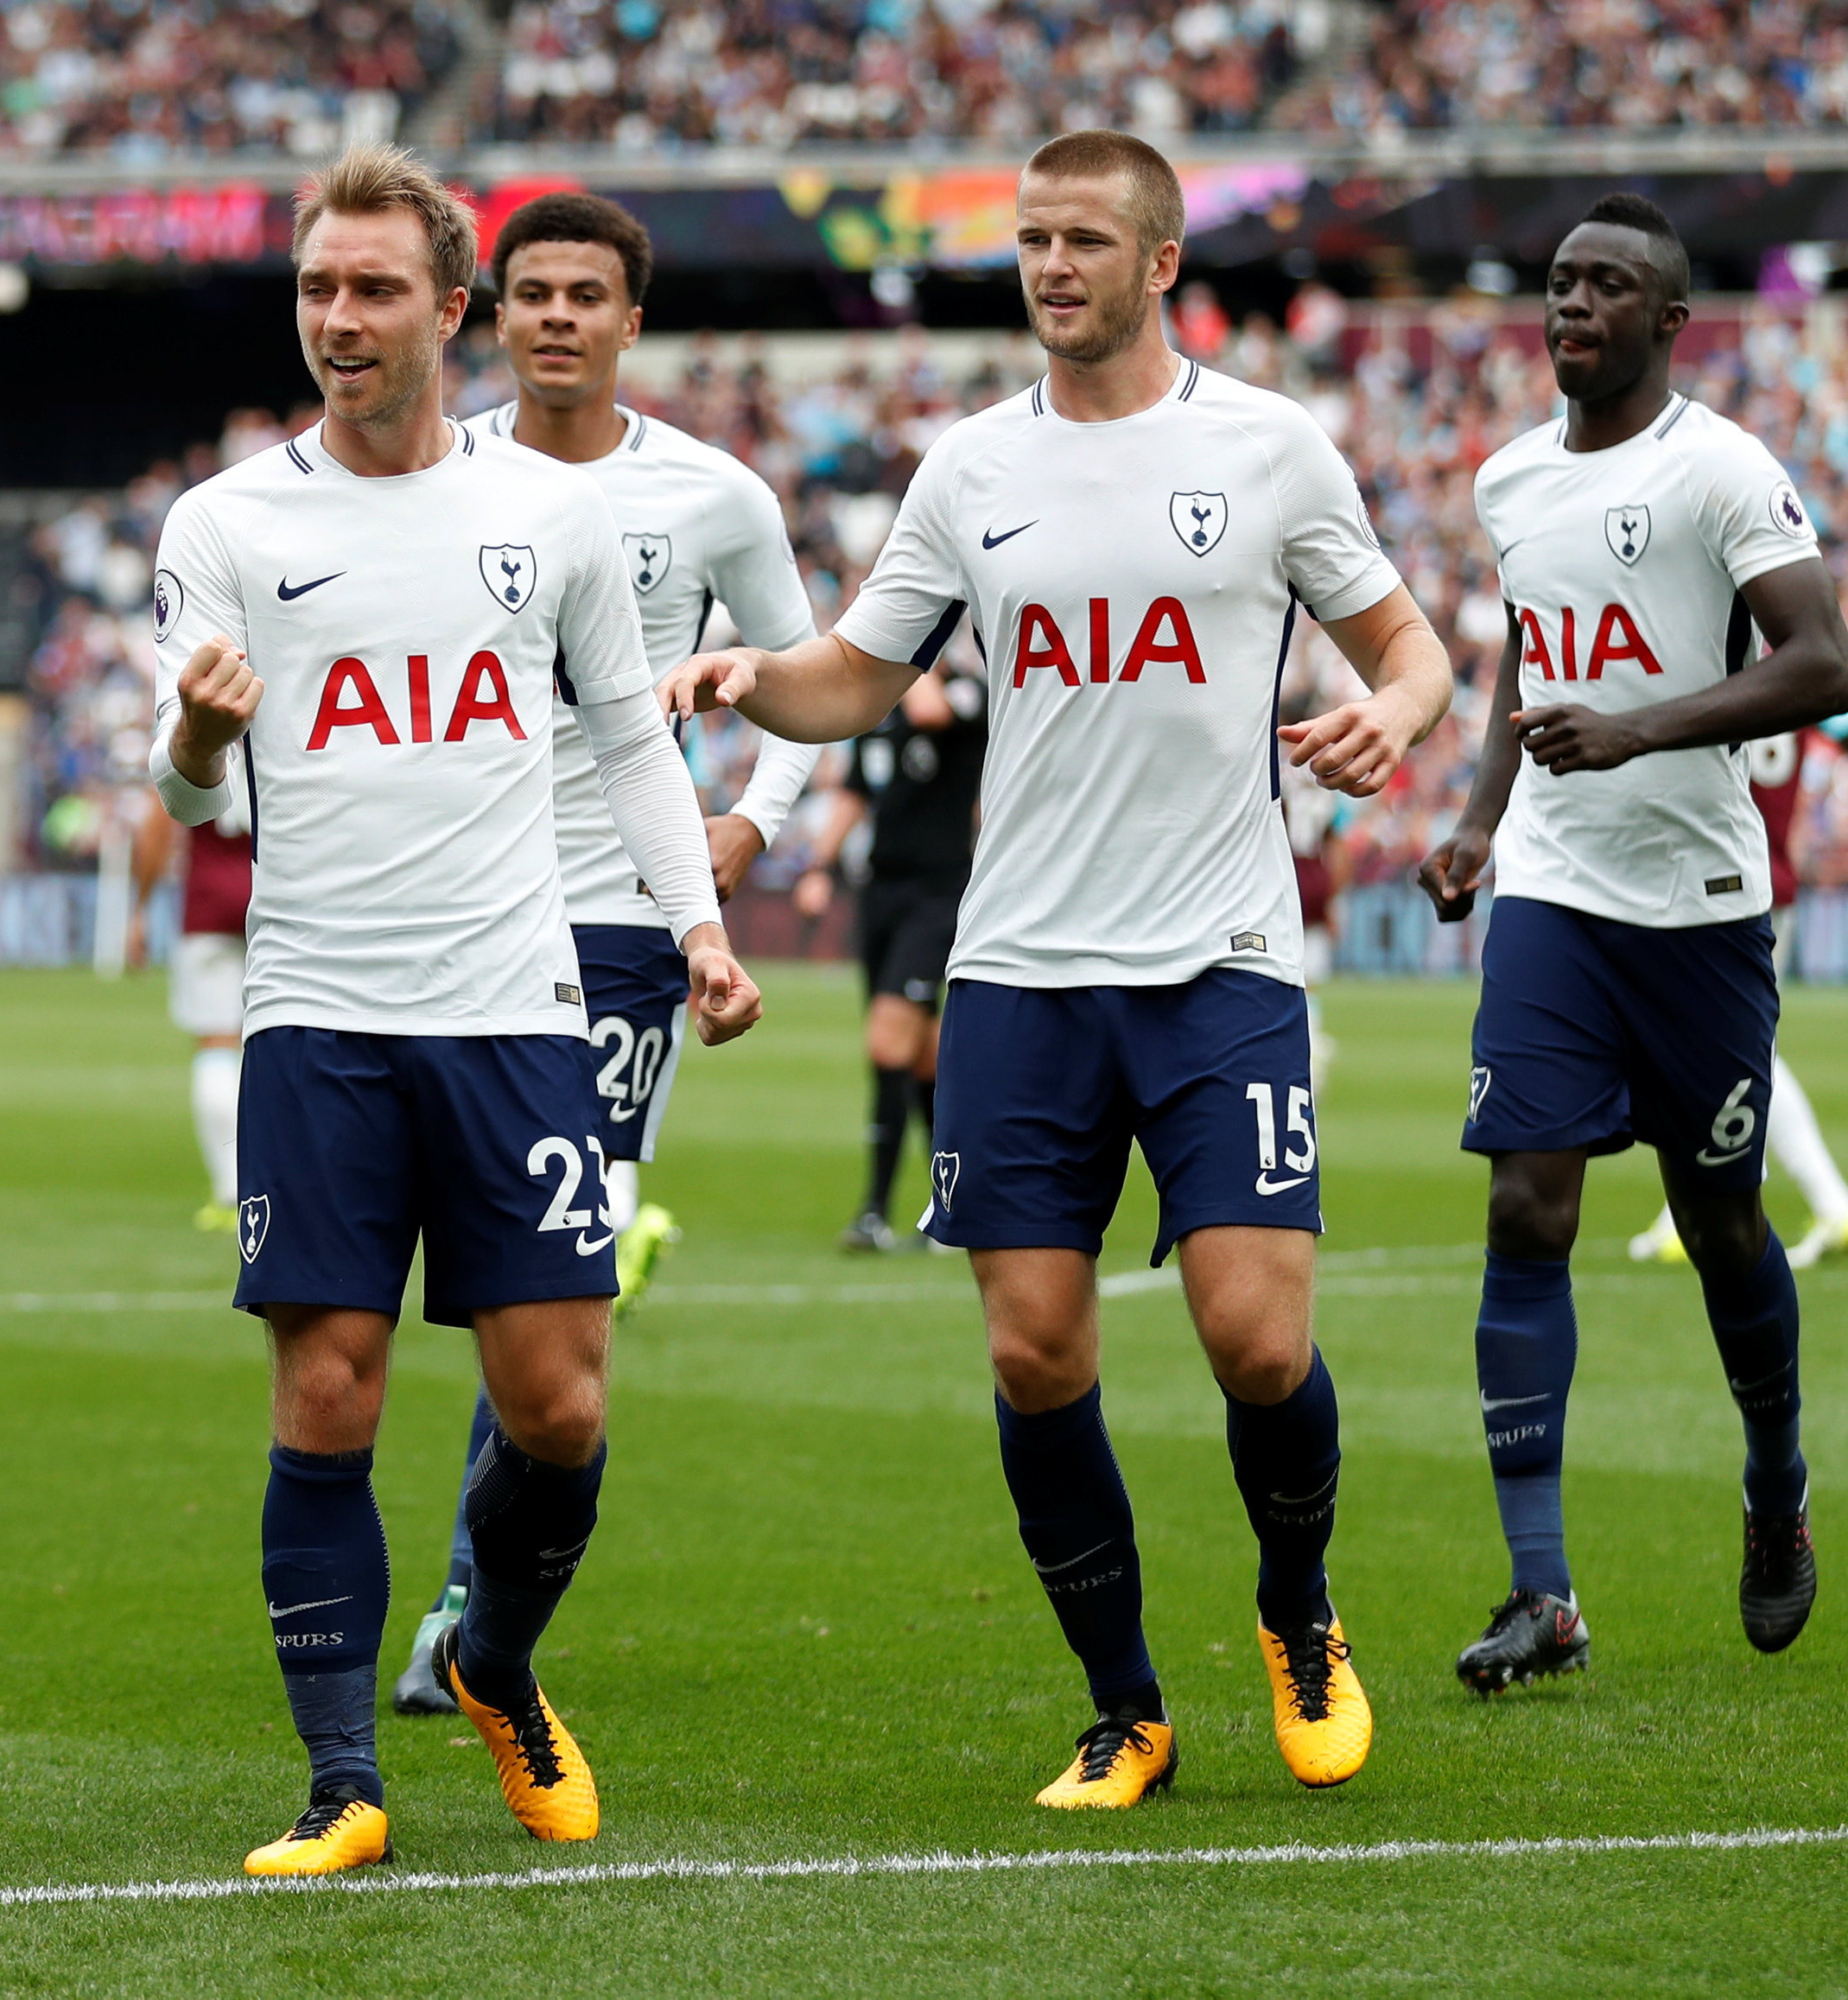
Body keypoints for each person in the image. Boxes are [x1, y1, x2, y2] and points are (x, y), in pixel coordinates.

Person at [662, 130, 1451, 1808]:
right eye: (1031, 238)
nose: (1049, 264)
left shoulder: (1268, 449)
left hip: (1223, 952)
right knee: (1033, 1348)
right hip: (1016, 968)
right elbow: (856, 679)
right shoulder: (969, 470)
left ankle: (1298, 1609)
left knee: (1252, 1336)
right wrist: (748, 677)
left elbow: (1410, 644)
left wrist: (1393, 710)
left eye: (1084, 238)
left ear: (1162, 261)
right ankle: (1126, 1706)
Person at [148, 146, 758, 1877]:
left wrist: (699, 931)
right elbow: (186, 794)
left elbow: (632, 740)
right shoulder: (228, 522)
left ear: (449, 306)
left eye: (373, 290)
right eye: (315, 289)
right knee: (325, 1392)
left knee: (558, 1400)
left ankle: (490, 1655)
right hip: (322, 1015)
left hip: (518, 1010)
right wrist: (199, 731)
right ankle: (340, 1777)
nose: (338, 320)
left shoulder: (549, 521)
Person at [386, 191, 823, 1718]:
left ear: (633, 322)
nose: (557, 316)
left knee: (547, 1267)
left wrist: (751, 831)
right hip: (451, 917)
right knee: (453, 1267)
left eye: (588, 294)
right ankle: (470, 1602)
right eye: (531, 293)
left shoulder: (715, 497)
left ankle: (465, 1609)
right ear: (490, 316)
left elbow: (804, 676)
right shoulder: (431, 478)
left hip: (627, 932)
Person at [1419, 195, 1848, 1693]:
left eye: (1610, 287)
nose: (1574, 307)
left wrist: (1641, 729)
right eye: (1559, 284)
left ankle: (1775, 1485)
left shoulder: (1723, 469)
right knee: (1528, 1210)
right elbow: (1527, 663)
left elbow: (1823, 661)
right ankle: (1542, 1595)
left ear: (1671, 321)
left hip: (1702, 915)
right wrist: (1483, 819)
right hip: (1555, 896)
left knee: (1723, 1220)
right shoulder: (1509, 478)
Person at [1625, 714, 1848, 1269]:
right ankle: (1689, 1210)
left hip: (1725, 883)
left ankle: (1825, 1202)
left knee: (1734, 1050)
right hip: (1765, 876)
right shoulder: (1796, 672)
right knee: (1722, 1046)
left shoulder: (1723, 665)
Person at [804, 662, 987, 1254]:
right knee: (923, 1058)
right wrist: (819, 866)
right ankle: (956, 1208)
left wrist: (916, 658)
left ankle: (874, 1211)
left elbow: (933, 711)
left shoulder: (960, 686)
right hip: (882, 891)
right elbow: (857, 791)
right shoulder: (880, 701)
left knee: (888, 1042)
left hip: (938, 893)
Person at [130, 790, 254, 1230]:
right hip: (280, 907)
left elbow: (156, 827)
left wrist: (139, 909)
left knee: (216, 1046)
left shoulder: (201, 727)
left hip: (209, 904)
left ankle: (230, 1193)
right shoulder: (290, 729)